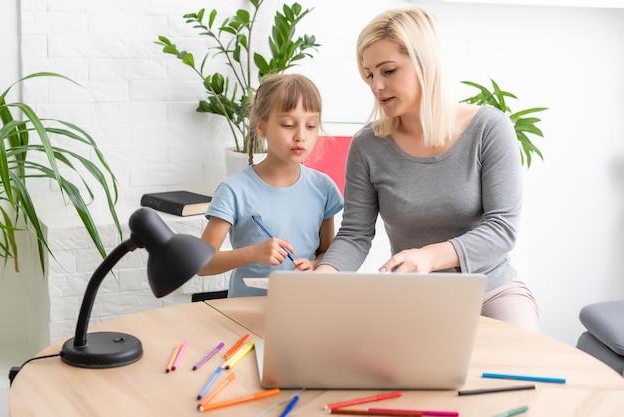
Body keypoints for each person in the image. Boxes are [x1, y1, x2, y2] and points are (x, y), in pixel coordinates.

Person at [316, 7, 540, 331]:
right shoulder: (368, 145)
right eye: (368, 75)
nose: (376, 86)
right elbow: (355, 234)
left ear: (425, 63)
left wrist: (429, 257)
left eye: (388, 71)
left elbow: (502, 228)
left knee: (522, 366)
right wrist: (325, 277)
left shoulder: (489, 128)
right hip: (414, 300)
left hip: (490, 293)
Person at [198, 73, 344, 298]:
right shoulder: (233, 190)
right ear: (261, 127)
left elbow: (327, 252)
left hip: (304, 309)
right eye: (288, 124)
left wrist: (315, 265)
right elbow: (202, 264)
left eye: (311, 125)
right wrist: (251, 253)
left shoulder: (323, 187)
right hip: (245, 314)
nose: (301, 136)